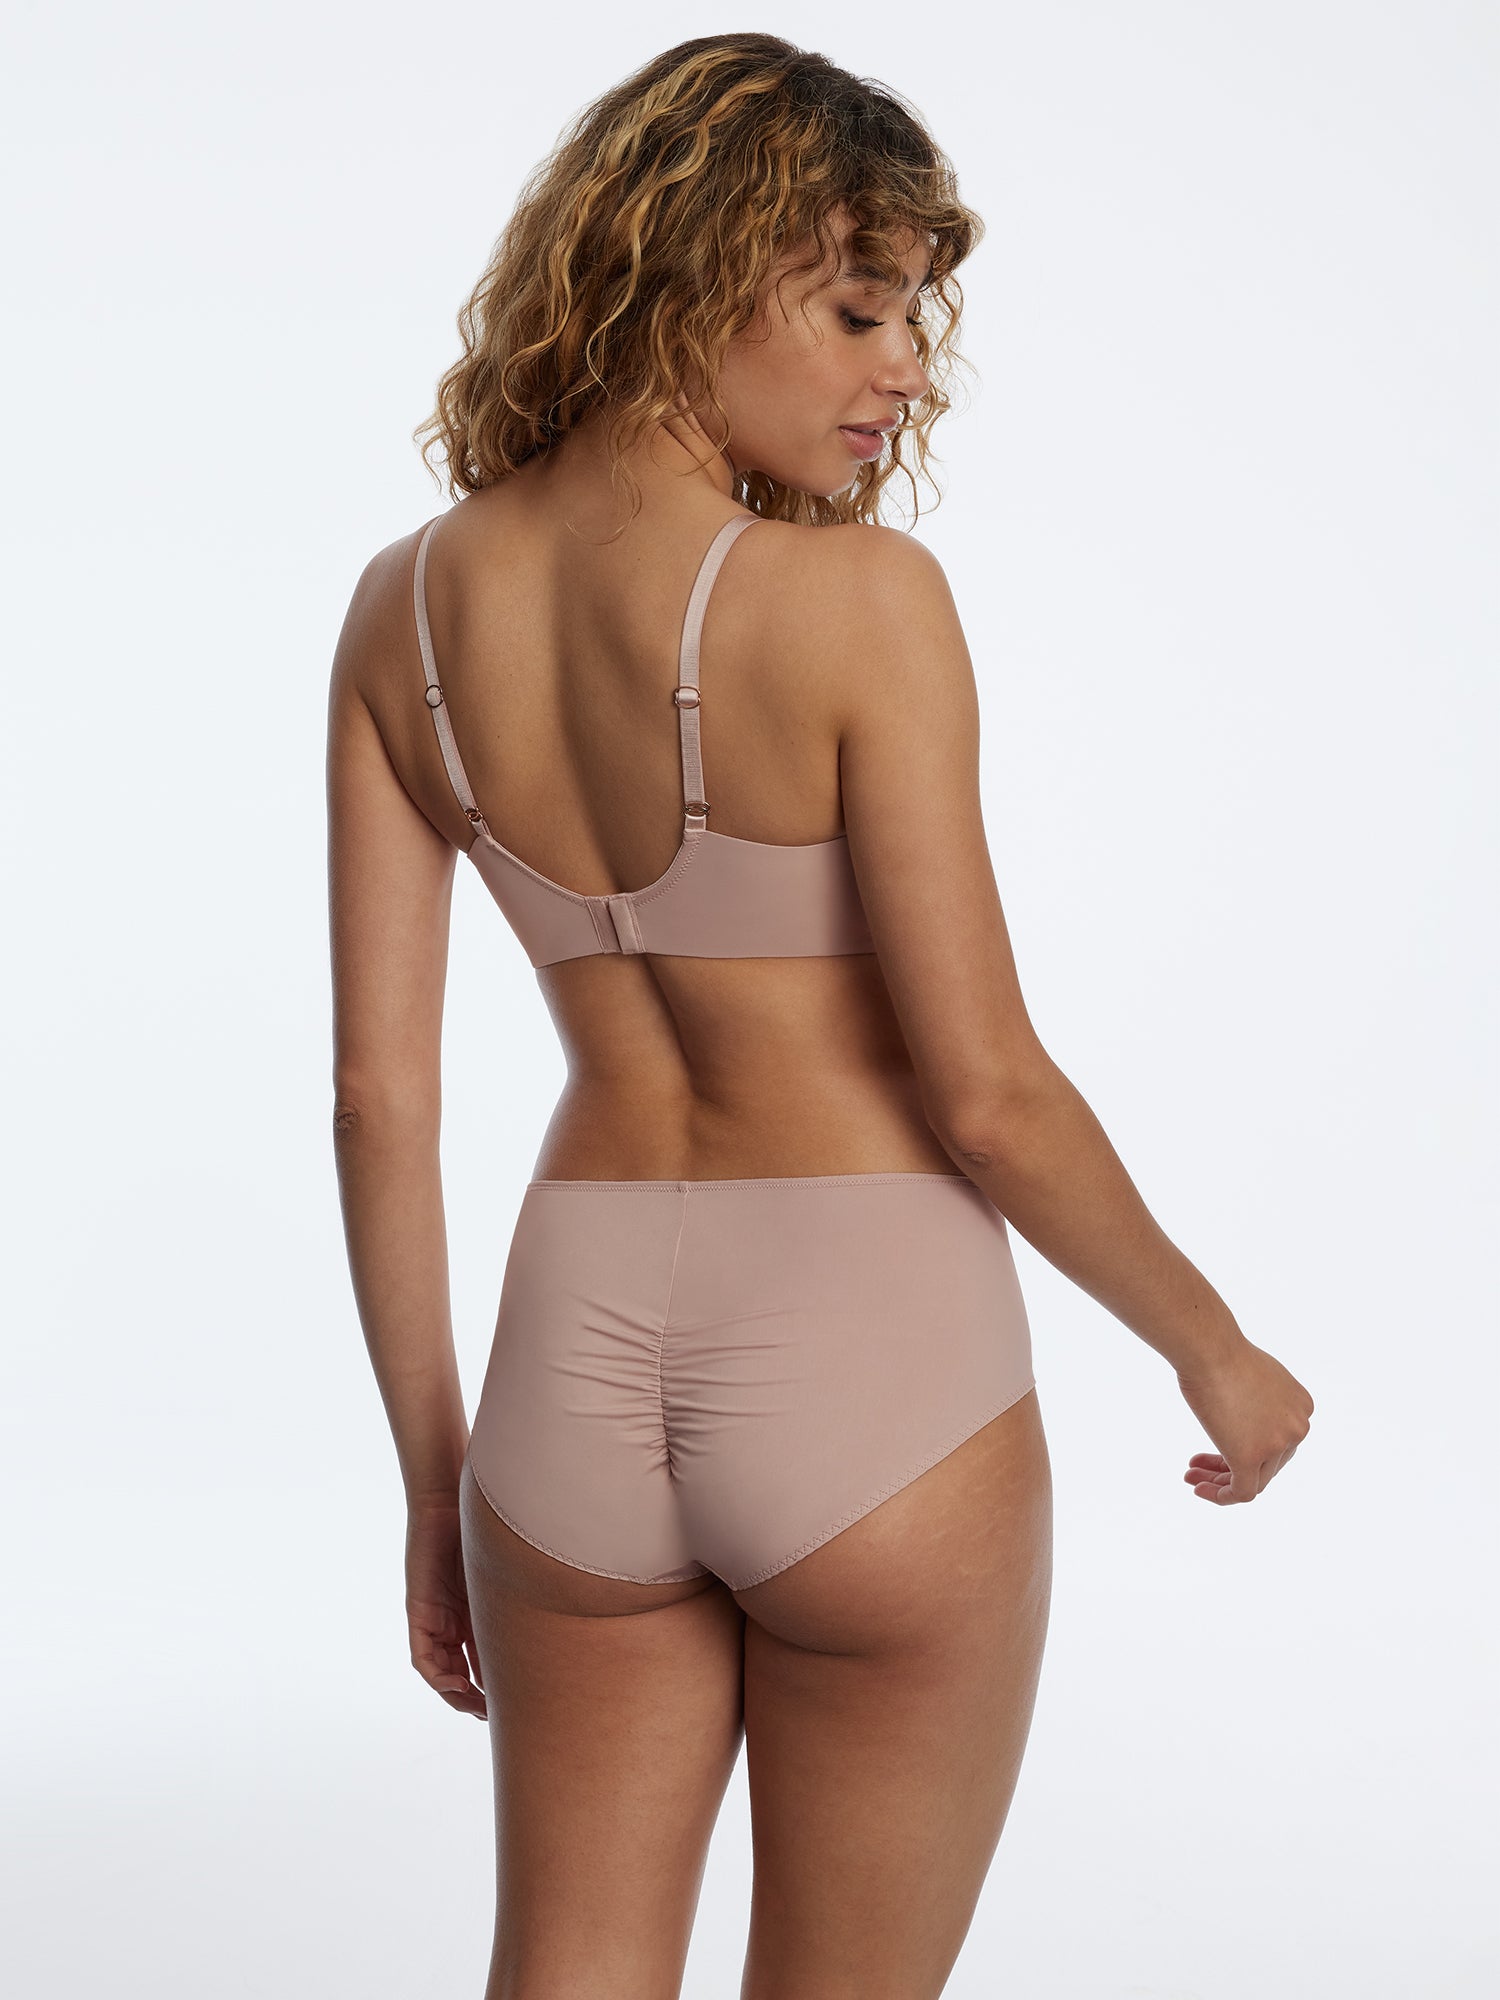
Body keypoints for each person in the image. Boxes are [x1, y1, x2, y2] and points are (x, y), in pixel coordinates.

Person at [326, 31, 1314, 2000]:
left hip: (567, 1378)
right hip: (874, 1368)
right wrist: (1216, 1350)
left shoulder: (402, 609)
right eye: (859, 309)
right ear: (687, 271)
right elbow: (988, 1091)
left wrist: (440, 1482)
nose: (906, 371)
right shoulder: (860, 606)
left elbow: (378, 1101)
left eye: (913, 318)